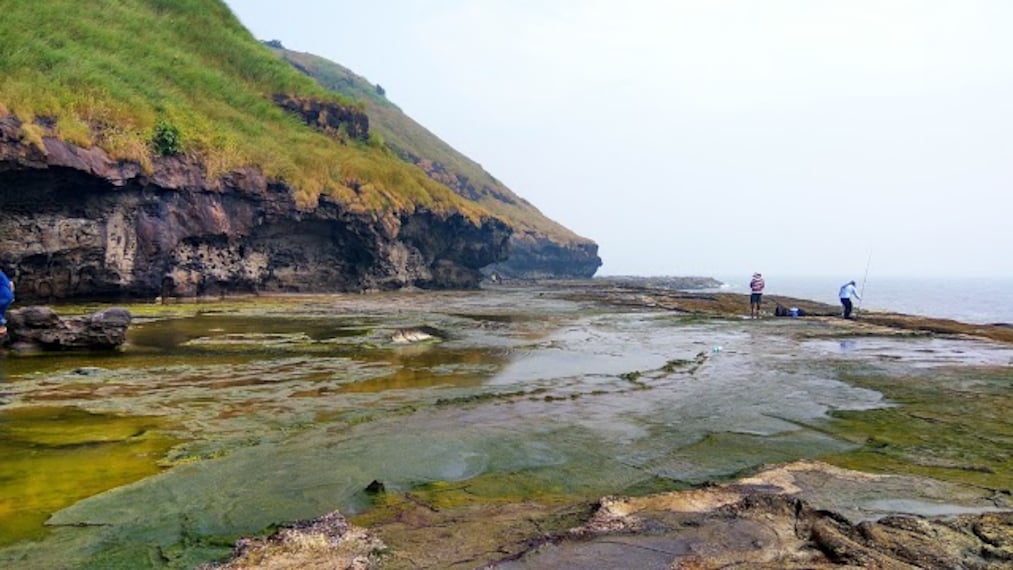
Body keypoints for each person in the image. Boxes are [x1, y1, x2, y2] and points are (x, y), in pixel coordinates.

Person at [0, 268, 14, 336]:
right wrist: (11, 296)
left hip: (3, 295)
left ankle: (1, 326)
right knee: (1, 311)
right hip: (8, 296)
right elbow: (11, 284)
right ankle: (2, 329)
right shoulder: (2, 274)